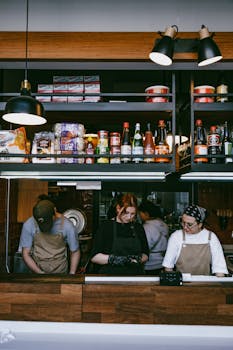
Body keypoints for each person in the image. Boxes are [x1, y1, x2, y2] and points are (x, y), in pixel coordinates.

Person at [91, 193, 149, 275]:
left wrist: (138, 259)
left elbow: (146, 254)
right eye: (126, 212)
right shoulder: (106, 227)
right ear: (118, 208)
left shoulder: (138, 227)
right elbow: (94, 257)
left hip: (135, 276)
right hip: (111, 276)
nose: (129, 217)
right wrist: (116, 259)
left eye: (133, 214)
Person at [162, 204, 228, 276]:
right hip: (182, 284)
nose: (185, 227)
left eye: (189, 224)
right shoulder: (176, 237)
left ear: (200, 224)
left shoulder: (211, 237)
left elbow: (219, 268)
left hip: (205, 284)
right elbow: (168, 267)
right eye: (183, 222)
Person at [19, 199, 80, 274]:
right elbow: (26, 253)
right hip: (37, 270)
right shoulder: (29, 225)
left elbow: (75, 251)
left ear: (54, 211)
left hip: (60, 270)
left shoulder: (67, 226)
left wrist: (72, 273)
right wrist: (39, 273)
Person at [138, 199, 168, 275]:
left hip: (150, 264)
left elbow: (145, 247)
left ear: (146, 214)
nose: (139, 215)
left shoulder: (146, 227)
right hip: (162, 262)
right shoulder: (164, 224)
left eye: (140, 213)